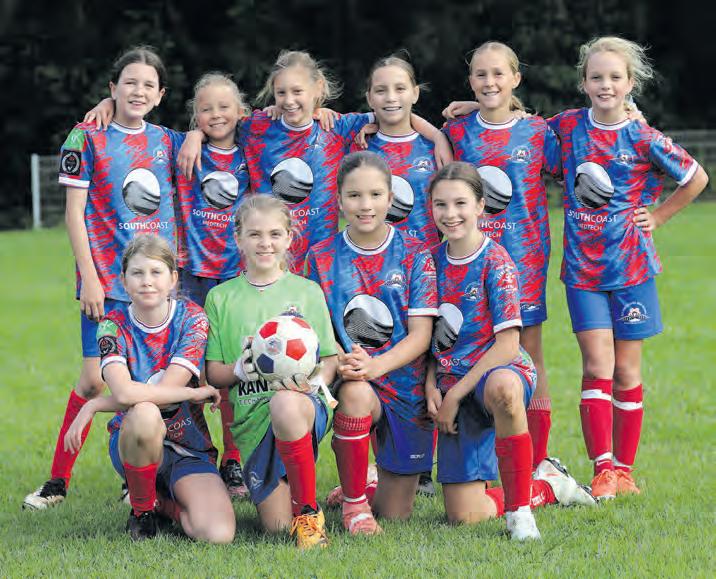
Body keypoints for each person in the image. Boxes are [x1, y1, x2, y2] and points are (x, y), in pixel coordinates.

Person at [547, 37, 708, 499]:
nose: (605, 85)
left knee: (627, 372)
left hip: (632, 269)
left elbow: (696, 177)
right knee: (597, 364)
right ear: (584, 83)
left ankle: (624, 470)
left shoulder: (642, 136)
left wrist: (658, 217)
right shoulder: (569, 125)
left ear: (629, 83)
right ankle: (602, 468)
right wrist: (468, 109)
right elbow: (519, 128)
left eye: (615, 77)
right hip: (583, 271)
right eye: (596, 77)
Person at [82, 72, 254, 498]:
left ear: (241, 113)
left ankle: (232, 461)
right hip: (190, 273)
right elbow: (135, 120)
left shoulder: (254, 147)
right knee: (184, 369)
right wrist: (110, 105)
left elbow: (286, 121)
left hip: (236, 273)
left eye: (224, 107)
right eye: (205, 109)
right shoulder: (181, 147)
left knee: (230, 368)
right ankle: (160, 452)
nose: (216, 115)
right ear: (194, 116)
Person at [24, 46, 177, 510]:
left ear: (161, 95)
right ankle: (57, 482)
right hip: (107, 282)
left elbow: (222, 128)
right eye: (129, 82)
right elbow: (74, 214)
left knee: (149, 381)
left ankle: (139, 476)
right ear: (113, 88)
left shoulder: (169, 140)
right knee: (94, 381)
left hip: (157, 284)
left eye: (148, 85)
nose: (138, 91)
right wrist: (89, 278)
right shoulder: (85, 137)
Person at [427, 162, 595, 541]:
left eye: (460, 203)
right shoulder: (428, 262)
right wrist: (432, 384)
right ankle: (549, 486)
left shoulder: (497, 261)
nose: (451, 214)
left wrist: (454, 394)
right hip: (453, 380)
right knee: (464, 515)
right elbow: (427, 337)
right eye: (441, 204)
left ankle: (519, 512)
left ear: (480, 206)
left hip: (499, 369)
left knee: (503, 388)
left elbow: (508, 345)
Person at [178, 50, 451, 274]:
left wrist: (437, 136)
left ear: (317, 88)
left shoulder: (336, 127)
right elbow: (222, 124)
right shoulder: (260, 126)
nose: (289, 100)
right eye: (281, 93)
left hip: (320, 261)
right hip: (270, 257)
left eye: (297, 91)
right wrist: (195, 134)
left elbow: (391, 114)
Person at [64, 234, 234, 542]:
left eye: (156, 272)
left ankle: (162, 504)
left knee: (217, 534)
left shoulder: (192, 319)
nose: (146, 281)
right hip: (135, 440)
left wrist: (95, 404)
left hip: (188, 446)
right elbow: (126, 395)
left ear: (173, 279)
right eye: (137, 273)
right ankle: (143, 512)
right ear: (123, 281)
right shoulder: (111, 326)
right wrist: (192, 393)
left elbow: (164, 391)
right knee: (144, 413)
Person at [441, 42, 562, 470]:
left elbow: (580, 159)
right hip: (467, 262)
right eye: (480, 74)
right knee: (462, 348)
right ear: (470, 81)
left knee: (528, 353)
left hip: (524, 259)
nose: (489, 82)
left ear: (516, 78)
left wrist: (633, 116)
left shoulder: (538, 132)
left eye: (498, 73)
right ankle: (468, 455)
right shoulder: (457, 132)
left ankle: (538, 461)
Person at [306, 151, 438, 536]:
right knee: (355, 394)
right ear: (339, 200)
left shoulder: (415, 254)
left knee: (396, 513)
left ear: (391, 198)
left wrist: (376, 365)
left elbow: (421, 335)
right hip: (353, 376)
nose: (365, 205)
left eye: (375, 195)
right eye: (354, 196)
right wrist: (342, 358)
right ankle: (354, 505)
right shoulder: (321, 257)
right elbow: (318, 328)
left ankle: (365, 481)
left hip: (404, 386)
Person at [204, 194, 338, 550]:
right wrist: (239, 369)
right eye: (255, 234)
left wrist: (314, 382)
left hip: (301, 407)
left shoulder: (307, 292)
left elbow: (330, 359)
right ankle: (306, 496)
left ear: (289, 238)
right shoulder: (220, 298)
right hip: (252, 420)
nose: (265, 243)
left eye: (275, 234)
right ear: (239, 239)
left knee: (285, 403)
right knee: (277, 528)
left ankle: (308, 515)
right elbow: (214, 374)